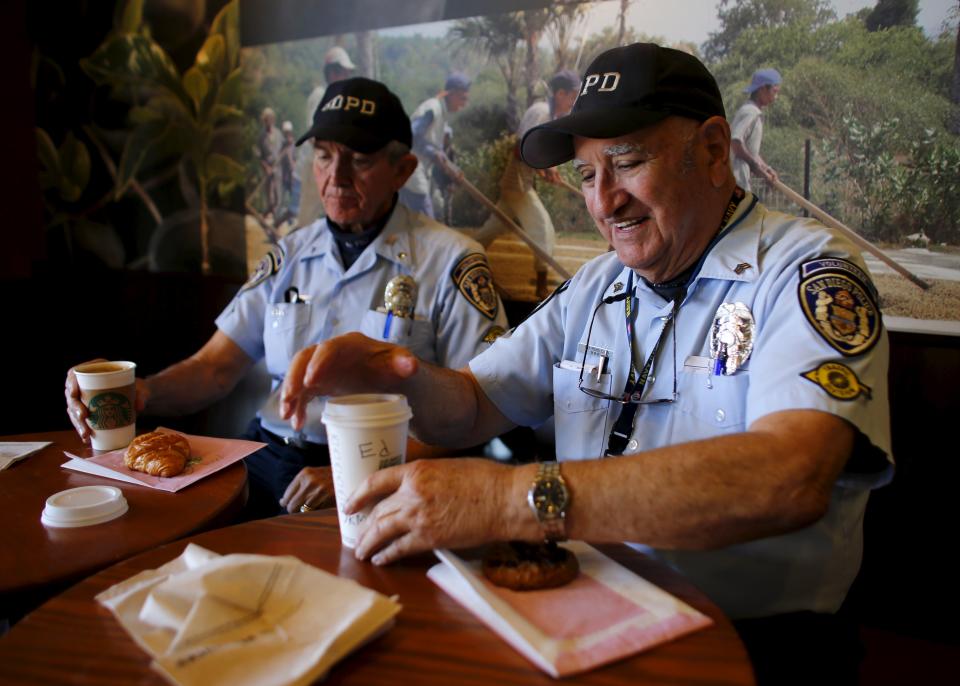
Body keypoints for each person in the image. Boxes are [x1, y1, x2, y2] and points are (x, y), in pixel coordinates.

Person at [279, 44, 891, 685]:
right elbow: (473, 402)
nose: (604, 203)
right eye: (587, 175)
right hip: (586, 611)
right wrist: (392, 368)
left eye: (626, 164)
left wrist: (508, 498)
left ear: (713, 151)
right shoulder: (597, 286)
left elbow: (789, 475)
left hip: (757, 640)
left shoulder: (807, 275)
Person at [65, 77, 507, 521]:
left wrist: (358, 471)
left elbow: (479, 408)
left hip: (382, 469)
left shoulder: (451, 261)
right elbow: (214, 367)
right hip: (263, 456)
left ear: (403, 169)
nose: (337, 177)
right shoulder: (288, 254)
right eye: (324, 156)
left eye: (360, 159)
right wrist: (142, 392)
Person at [475, 69, 580, 298]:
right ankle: (542, 286)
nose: (574, 100)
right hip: (517, 181)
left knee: (494, 227)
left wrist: (545, 169)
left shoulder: (549, 115)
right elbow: (521, 149)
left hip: (523, 179)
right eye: (573, 94)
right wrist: (545, 167)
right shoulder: (540, 112)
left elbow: (532, 153)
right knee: (542, 228)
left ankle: (463, 255)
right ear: (560, 93)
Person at [295, 46, 357, 228]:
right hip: (315, 165)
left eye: (347, 73)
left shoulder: (337, 99)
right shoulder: (320, 95)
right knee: (308, 217)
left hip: (330, 166)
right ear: (332, 72)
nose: (346, 77)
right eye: (343, 72)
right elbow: (315, 134)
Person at [399, 72, 471, 218]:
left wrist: (452, 168)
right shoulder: (433, 109)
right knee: (427, 222)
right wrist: (433, 153)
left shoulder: (441, 113)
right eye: (462, 98)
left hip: (414, 172)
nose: (464, 104)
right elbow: (410, 136)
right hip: (411, 170)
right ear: (452, 94)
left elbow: (435, 150)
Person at [730, 68, 781, 192]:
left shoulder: (753, 112)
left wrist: (765, 168)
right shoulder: (750, 112)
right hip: (735, 182)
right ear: (762, 89)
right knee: (737, 212)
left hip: (740, 182)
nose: (776, 97)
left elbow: (750, 151)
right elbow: (736, 142)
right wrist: (756, 168)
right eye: (774, 92)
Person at [257, 107, 284, 219]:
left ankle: (275, 216)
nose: (268, 121)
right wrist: (266, 167)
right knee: (269, 196)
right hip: (267, 168)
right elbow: (259, 156)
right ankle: (269, 216)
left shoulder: (278, 133)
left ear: (273, 119)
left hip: (277, 167)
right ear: (264, 121)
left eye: (270, 119)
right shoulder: (261, 137)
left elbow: (284, 149)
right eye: (266, 119)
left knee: (278, 195)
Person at [278, 120, 300, 225]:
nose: (287, 135)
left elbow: (295, 159)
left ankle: (290, 220)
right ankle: (279, 218)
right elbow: (280, 159)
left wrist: (293, 169)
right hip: (284, 175)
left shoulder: (293, 145)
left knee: (293, 198)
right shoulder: (282, 145)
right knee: (283, 199)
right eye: (286, 133)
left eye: (289, 132)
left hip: (293, 175)